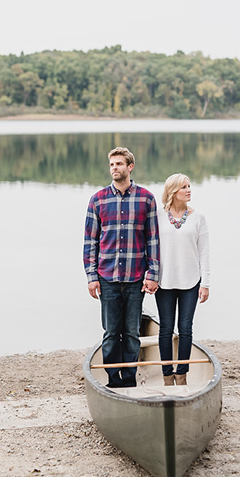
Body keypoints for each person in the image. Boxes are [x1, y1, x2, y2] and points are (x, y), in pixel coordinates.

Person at [83, 147, 160, 388]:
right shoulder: (98, 200)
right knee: (110, 333)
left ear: (130, 167)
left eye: (119, 164)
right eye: (112, 164)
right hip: (107, 278)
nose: (114, 168)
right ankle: (112, 380)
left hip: (136, 277)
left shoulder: (146, 199)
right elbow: (90, 241)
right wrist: (91, 276)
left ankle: (129, 380)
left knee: (131, 333)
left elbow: (153, 240)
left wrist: (153, 274)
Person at [156, 173, 210, 386]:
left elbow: (204, 252)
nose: (189, 190)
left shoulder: (199, 218)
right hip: (164, 281)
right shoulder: (158, 217)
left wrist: (205, 283)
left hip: (190, 282)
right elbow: (150, 249)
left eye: (189, 186)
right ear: (172, 192)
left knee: (186, 328)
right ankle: (167, 376)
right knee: (165, 329)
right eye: (183, 187)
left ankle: (182, 374)